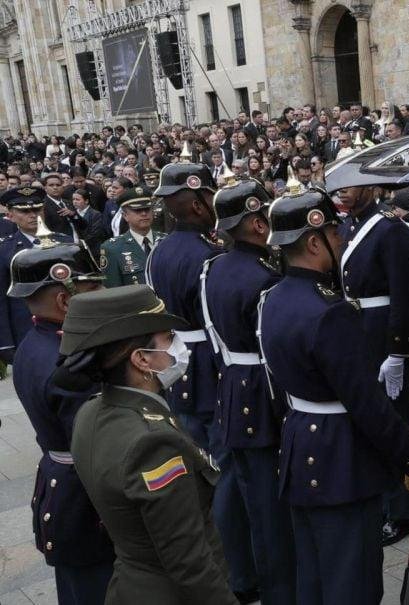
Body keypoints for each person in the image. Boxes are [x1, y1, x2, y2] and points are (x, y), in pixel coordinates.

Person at [257, 186, 409, 605]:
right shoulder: (330, 312)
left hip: (300, 447)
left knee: (314, 578)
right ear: (313, 241)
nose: (341, 240)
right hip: (340, 459)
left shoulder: (273, 298)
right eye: (334, 233)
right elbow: (370, 409)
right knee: (353, 583)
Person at [59, 285, 238, 604]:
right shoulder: (153, 442)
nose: (178, 346)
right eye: (168, 337)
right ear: (141, 359)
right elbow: (188, 561)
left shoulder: (91, 411)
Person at [147, 150, 258, 601]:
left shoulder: (159, 252)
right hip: (210, 364)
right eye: (210, 197)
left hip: (178, 366)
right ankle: (238, 571)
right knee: (225, 472)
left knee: (200, 470)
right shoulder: (209, 256)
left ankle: (217, 559)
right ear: (196, 203)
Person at [200, 175, 295, 605]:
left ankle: (251, 578)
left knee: (250, 497)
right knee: (273, 511)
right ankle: (281, 592)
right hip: (265, 395)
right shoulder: (267, 277)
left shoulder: (214, 266)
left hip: (233, 389)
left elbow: (215, 339)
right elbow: (275, 350)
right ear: (258, 224)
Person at [10, 241, 111, 605]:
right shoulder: (70, 365)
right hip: (87, 496)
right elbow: (100, 443)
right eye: (93, 289)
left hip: (62, 486)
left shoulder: (34, 345)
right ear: (65, 301)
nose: (102, 295)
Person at [333, 182, 409, 545]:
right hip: (359, 335)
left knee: (394, 424)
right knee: (369, 422)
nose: (341, 193)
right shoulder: (348, 226)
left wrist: (398, 352)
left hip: (385, 338)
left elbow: (403, 294)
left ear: (369, 187)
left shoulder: (391, 228)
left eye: (349, 187)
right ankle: (381, 501)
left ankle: (401, 511)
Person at [0, 187, 72, 363]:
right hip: (28, 328)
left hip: (70, 324)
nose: (32, 215)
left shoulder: (66, 242)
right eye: (24, 211)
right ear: (10, 215)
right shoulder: (5, 250)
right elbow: (1, 300)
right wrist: (5, 343)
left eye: (36, 209)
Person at [99, 188, 161, 287]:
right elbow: (113, 291)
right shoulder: (112, 249)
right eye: (137, 210)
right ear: (125, 216)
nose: (144, 214)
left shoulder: (166, 241)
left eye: (147, 209)